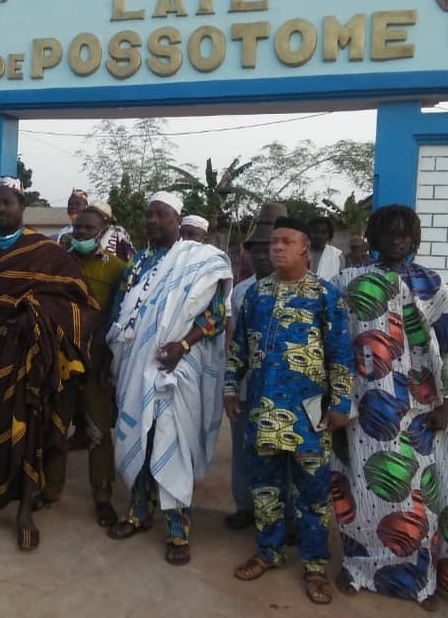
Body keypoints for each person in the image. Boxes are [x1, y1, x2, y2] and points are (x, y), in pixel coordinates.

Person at [0, 176, 96, 550]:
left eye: (7, 203)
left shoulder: (47, 253)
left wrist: (36, 314)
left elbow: (81, 303)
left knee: (26, 435)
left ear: (21, 207)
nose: (0, 209)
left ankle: (25, 509)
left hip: (26, 363)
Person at [330, 205, 448, 610]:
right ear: (371, 238)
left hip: (421, 413)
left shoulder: (431, 283)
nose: (397, 239)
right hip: (365, 411)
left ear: (415, 238)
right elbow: (335, 348)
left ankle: (419, 579)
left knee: (418, 501)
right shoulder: (347, 282)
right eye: (387, 232)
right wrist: (338, 401)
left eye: (404, 232)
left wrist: (447, 403)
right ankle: (359, 567)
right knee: (361, 490)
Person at [225, 215, 354, 605]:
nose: (276, 248)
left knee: (314, 495)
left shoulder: (324, 295)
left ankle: (315, 565)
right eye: (272, 242)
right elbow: (239, 349)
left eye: (285, 242)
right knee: (265, 488)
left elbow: (340, 353)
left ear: (305, 251)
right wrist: (231, 386)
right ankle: (269, 551)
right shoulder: (255, 294)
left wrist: (342, 402)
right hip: (263, 409)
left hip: (310, 413)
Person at [106, 191, 233, 566]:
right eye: (149, 215)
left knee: (172, 444)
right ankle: (138, 512)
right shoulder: (136, 264)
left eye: (161, 215)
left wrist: (183, 344)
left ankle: (178, 530)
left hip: (177, 371)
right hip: (134, 366)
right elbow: (121, 314)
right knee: (139, 439)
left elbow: (213, 317)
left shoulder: (196, 261)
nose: (153, 222)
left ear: (178, 220)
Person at [43, 204, 127, 526]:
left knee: (97, 431)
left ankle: (103, 497)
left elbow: (119, 318)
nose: (81, 234)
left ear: (102, 230)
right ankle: (51, 490)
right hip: (60, 360)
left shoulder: (118, 269)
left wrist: (108, 362)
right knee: (56, 427)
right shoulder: (56, 262)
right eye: (77, 229)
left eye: (88, 229)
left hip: (96, 363)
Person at [223, 203, 281, 531]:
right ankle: (245, 505)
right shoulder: (242, 291)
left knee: (279, 454)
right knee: (243, 448)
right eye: (257, 250)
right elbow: (234, 343)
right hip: (247, 384)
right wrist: (230, 387)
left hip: (283, 388)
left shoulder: (309, 291)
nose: (262, 256)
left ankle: (282, 516)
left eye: (269, 249)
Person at [308, 215, 345, 279]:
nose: (318, 235)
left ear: (329, 236)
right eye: (315, 231)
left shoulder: (337, 256)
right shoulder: (298, 251)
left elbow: (340, 281)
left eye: (323, 233)